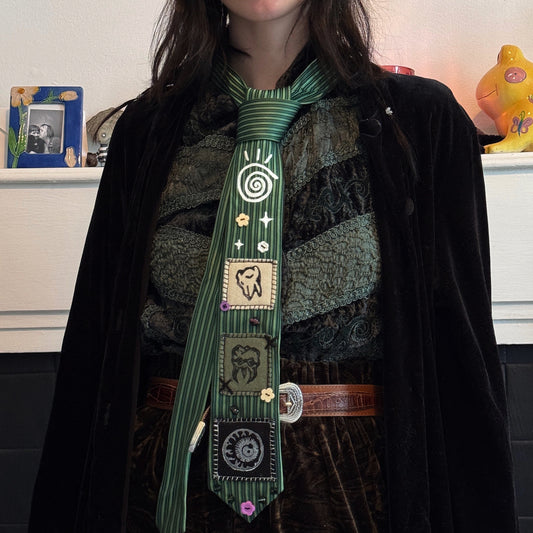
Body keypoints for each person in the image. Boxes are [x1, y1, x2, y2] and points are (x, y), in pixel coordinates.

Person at [29, 1, 517, 532]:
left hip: (356, 489)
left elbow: (462, 352)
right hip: (166, 484)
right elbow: (95, 344)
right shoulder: (147, 130)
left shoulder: (422, 120)